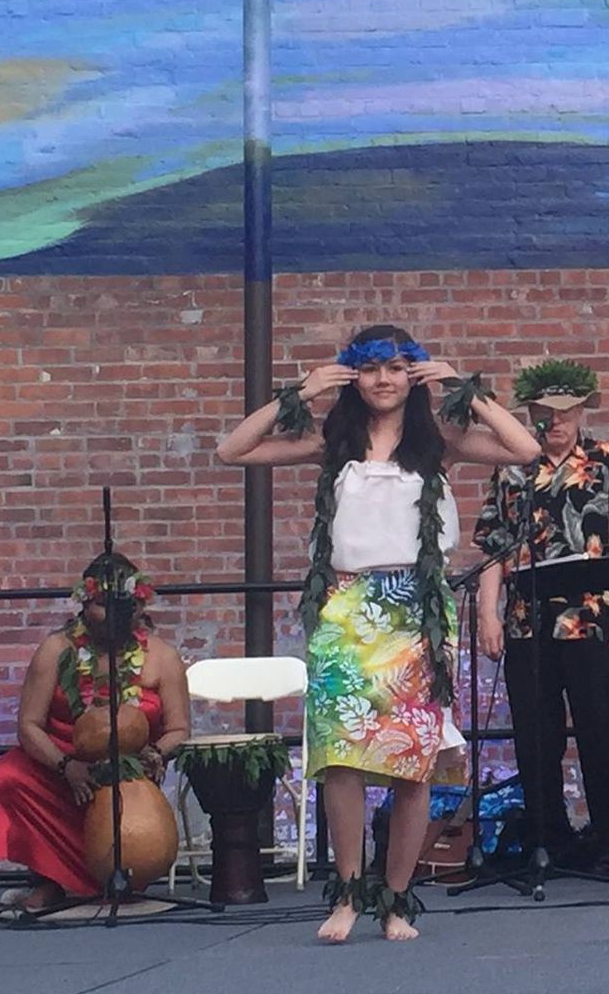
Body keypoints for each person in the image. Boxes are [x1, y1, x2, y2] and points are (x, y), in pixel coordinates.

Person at [218, 325, 538, 942]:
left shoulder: (439, 438)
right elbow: (232, 450)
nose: (383, 381)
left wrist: (462, 388)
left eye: (396, 368)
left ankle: (395, 899)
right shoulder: (330, 439)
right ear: (352, 378)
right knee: (342, 757)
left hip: (415, 609)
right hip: (343, 607)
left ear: (412, 374)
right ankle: (345, 892)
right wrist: (301, 391)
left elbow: (524, 450)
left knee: (410, 761)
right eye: (369, 370)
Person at [475, 359, 609, 870]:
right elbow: (493, 547)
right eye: (545, 415)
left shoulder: (608, 462)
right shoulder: (512, 468)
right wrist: (488, 613)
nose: (555, 424)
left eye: (565, 414)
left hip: (594, 619)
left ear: (579, 414)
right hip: (529, 622)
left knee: (604, 727)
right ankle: (548, 835)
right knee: (535, 734)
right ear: (531, 416)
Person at [0, 553, 190, 912]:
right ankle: (52, 878)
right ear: (83, 603)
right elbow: (29, 725)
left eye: (124, 607)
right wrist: (66, 766)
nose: (113, 617)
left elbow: (179, 729)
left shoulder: (162, 657)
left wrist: (156, 754)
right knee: (6, 775)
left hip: (130, 770)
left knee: (128, 810)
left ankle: (122, 875)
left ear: (140, 607)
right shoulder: (55, 650)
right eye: (102, 606)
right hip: (63, 764)